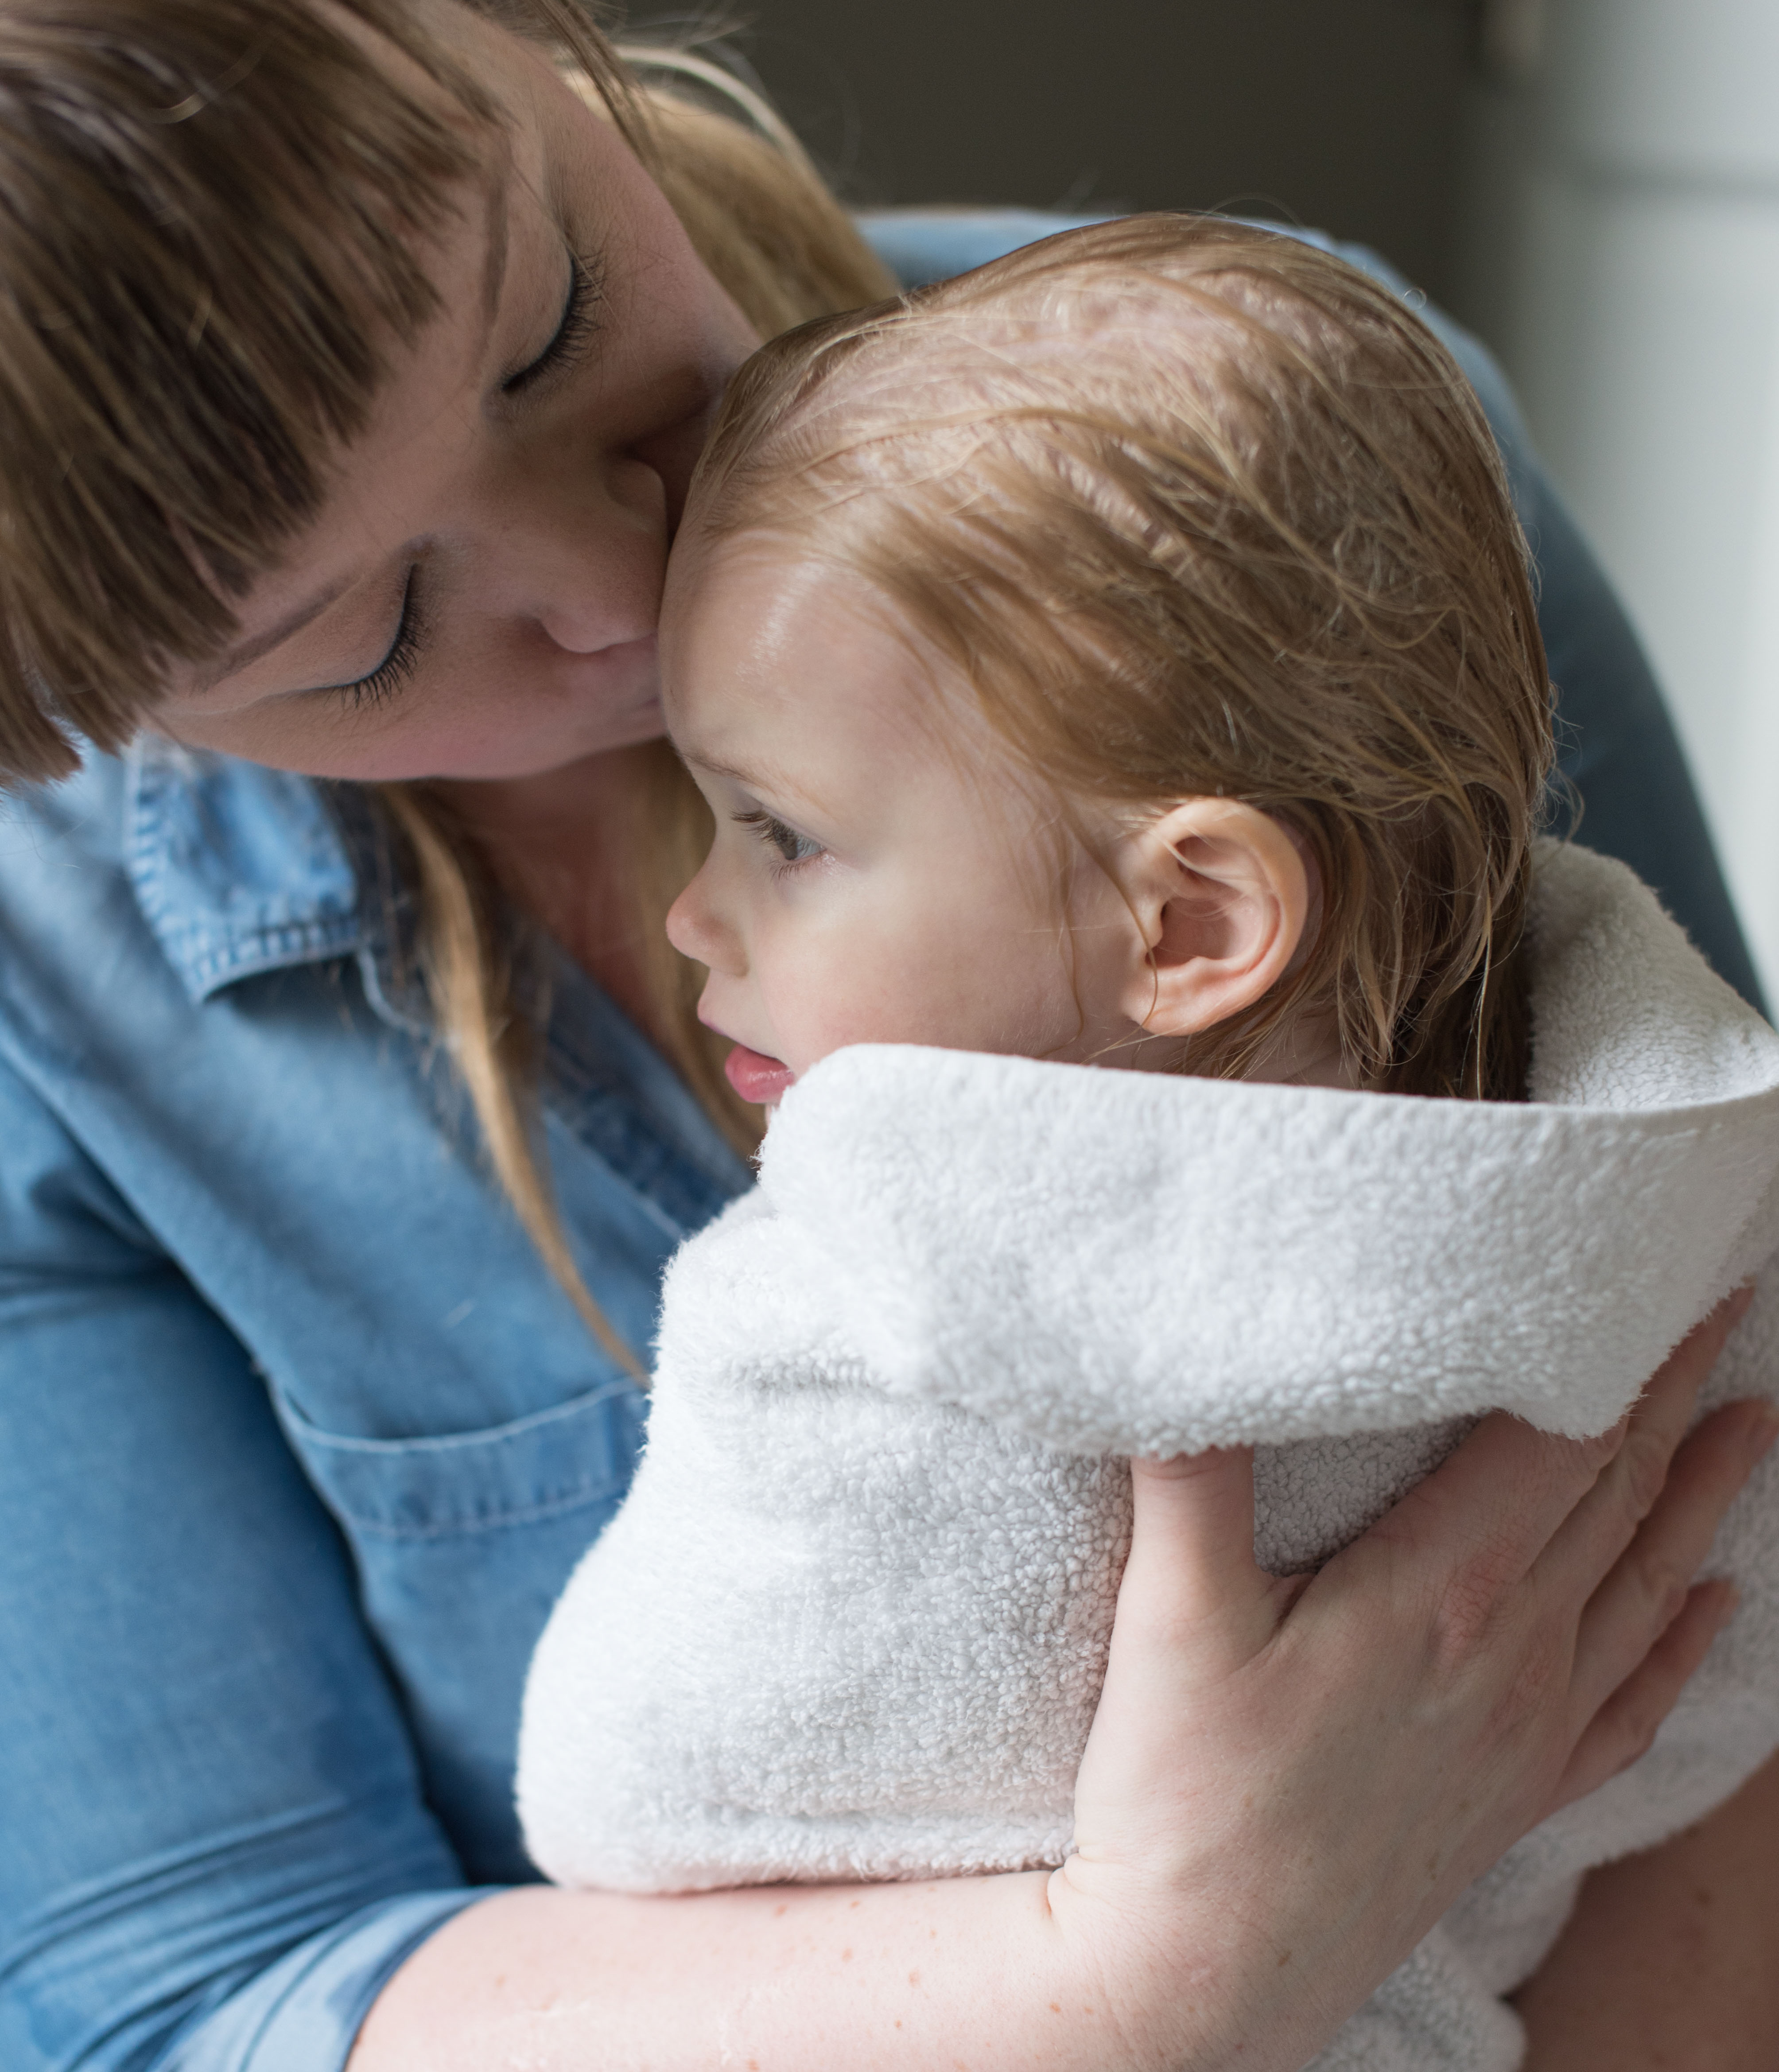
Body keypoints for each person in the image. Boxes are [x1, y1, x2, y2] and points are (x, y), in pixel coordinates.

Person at [0, 5, 1770, 2070]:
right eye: (369, 633)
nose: (616, 570)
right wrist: (1159, 1962)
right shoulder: (56, 979)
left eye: (551, 320)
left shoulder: (1291, 486)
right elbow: (191, 2003)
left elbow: (1719, 1501)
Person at [509, 219, 1779, 2072]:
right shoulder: (1673, 1220)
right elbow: (1713, 1695)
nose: (702, 912)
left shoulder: (870, 1306)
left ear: (1188, 925)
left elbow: (622, 1793)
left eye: (775, 832)